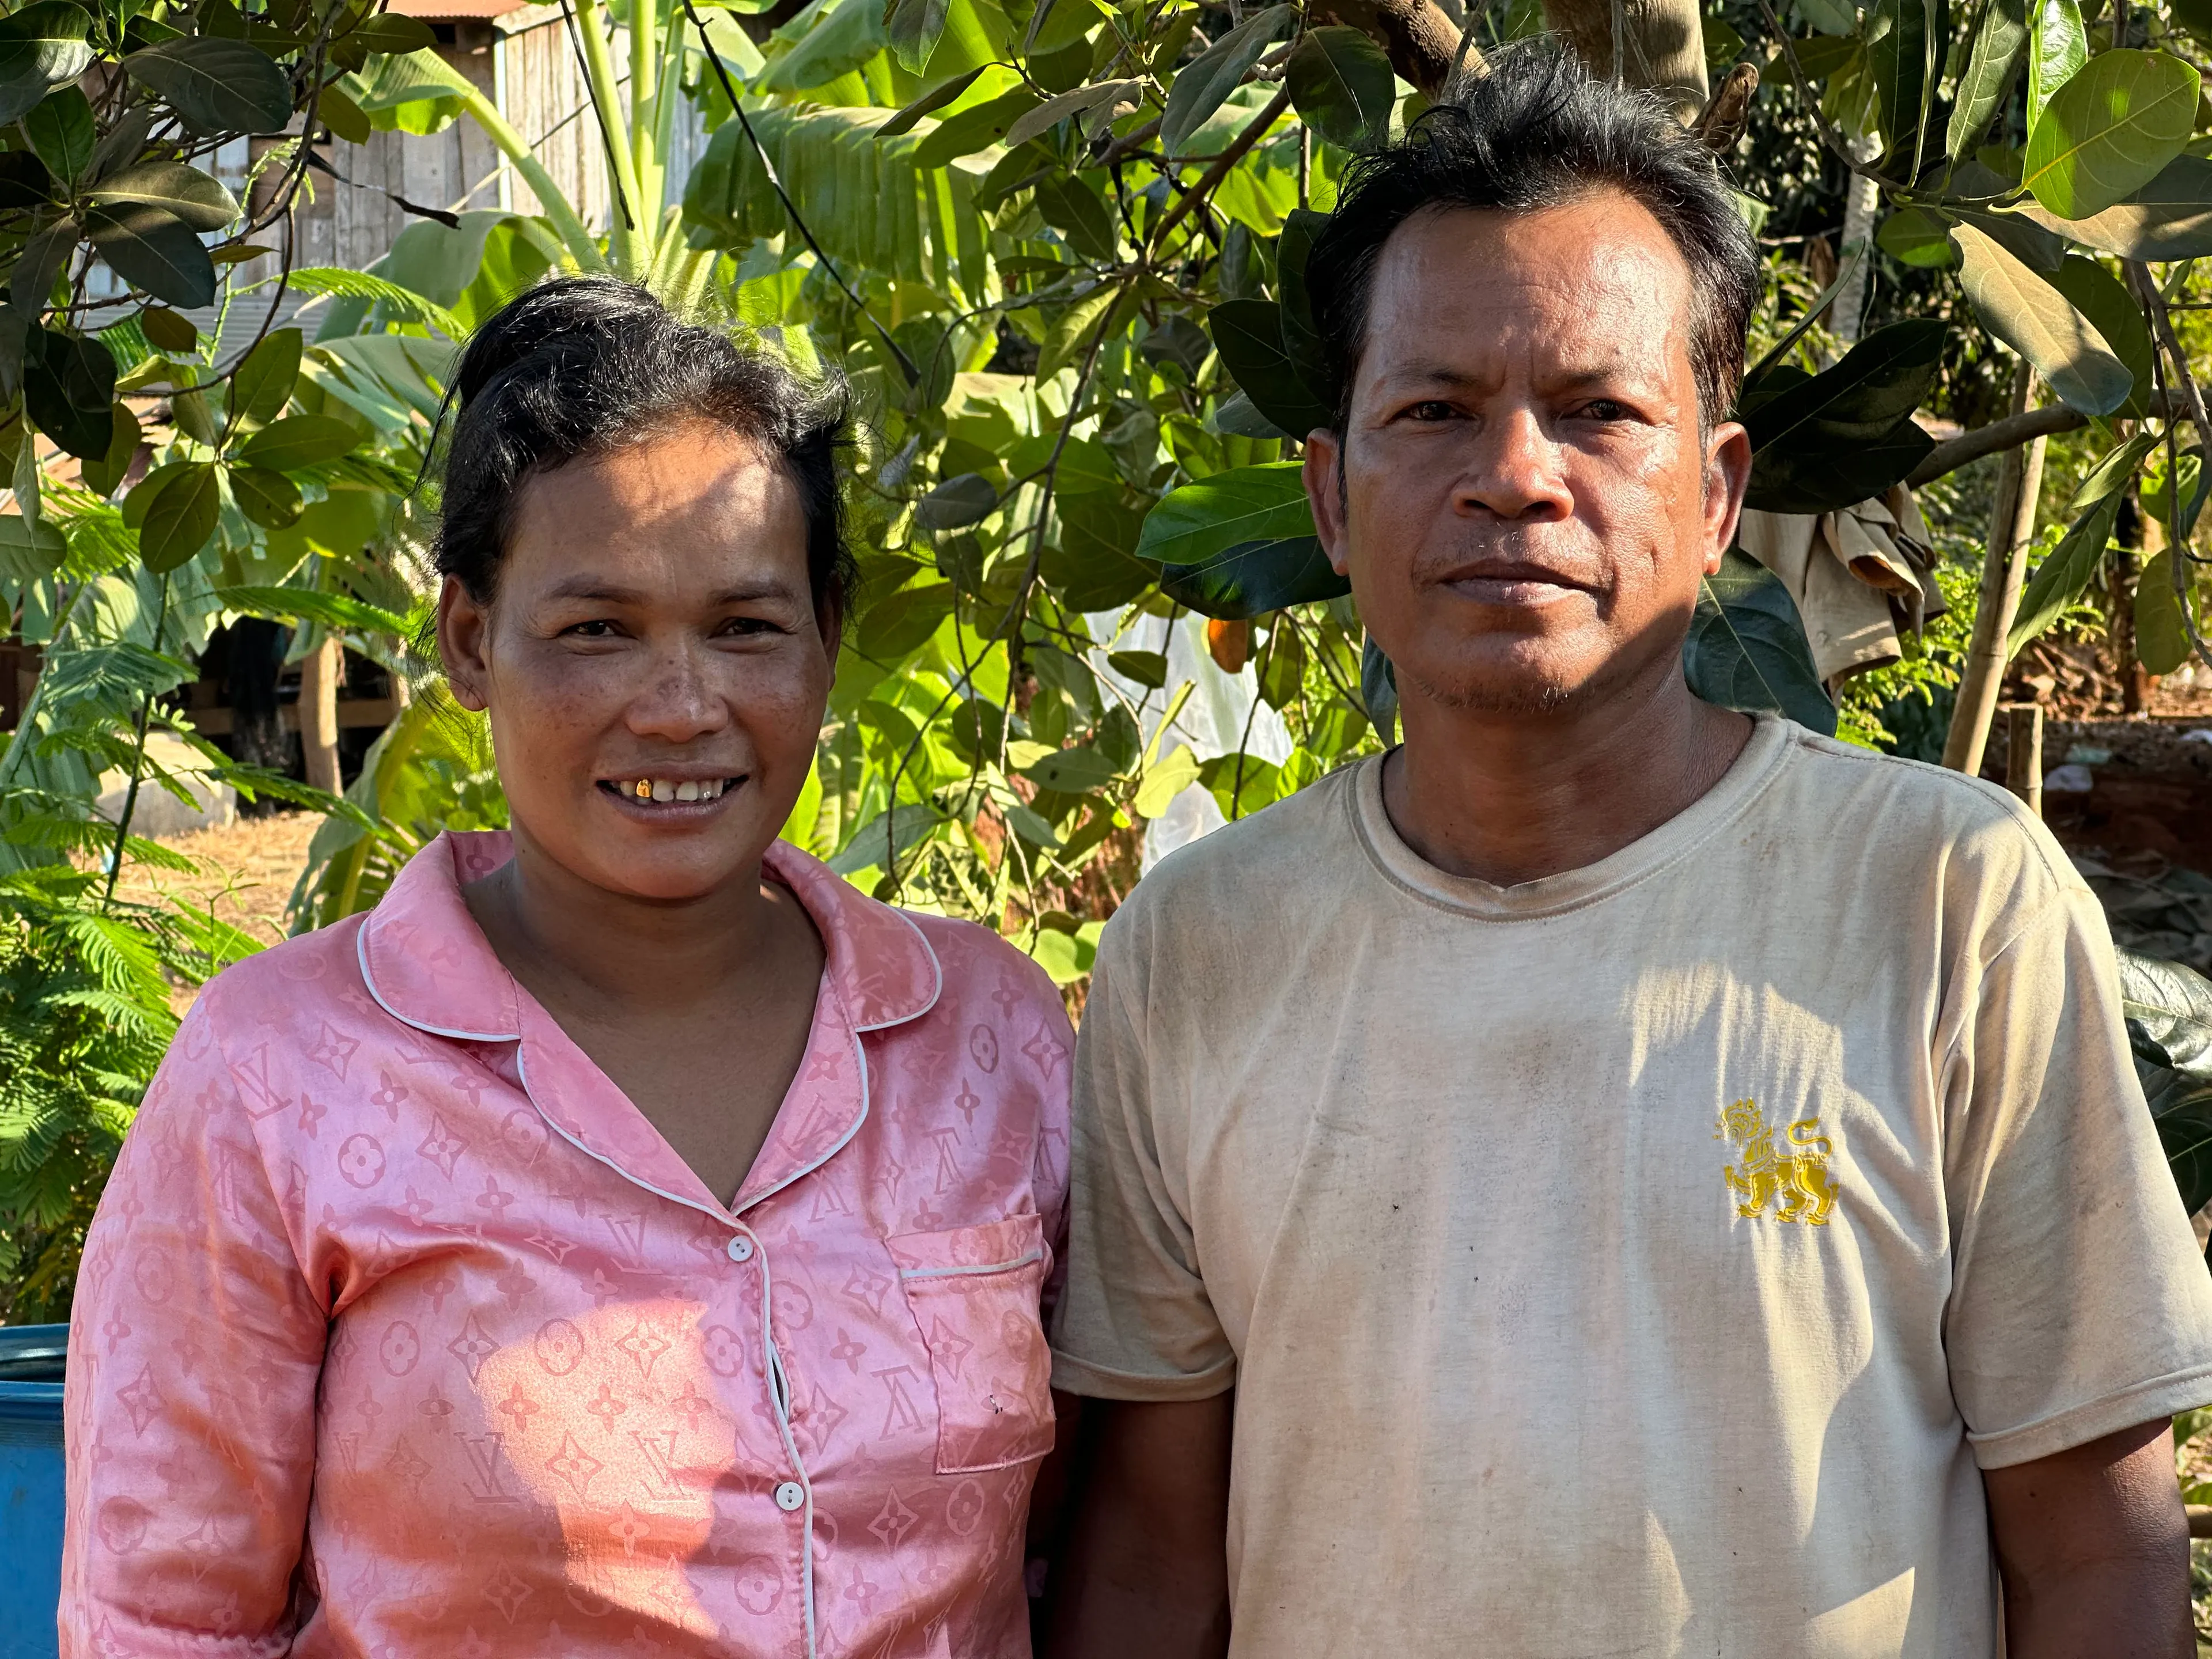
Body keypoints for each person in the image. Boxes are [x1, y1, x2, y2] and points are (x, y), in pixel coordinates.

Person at [1043, 53, 2212, 1659]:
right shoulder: (1197, 948)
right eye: (1433, 410)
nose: (1516, 474)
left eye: (1600, 412)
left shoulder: (1947, 903)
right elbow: (1154, 1554)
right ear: (1330, 497)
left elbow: (2099, 1551)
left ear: (1722, 492)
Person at [62, 278, 1071, 1658]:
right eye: (598, 628)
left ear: (829, 631)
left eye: (745, 626)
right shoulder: (279, 1074)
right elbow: (160, 1616)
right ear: (471, 641)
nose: (680, 707)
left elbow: (1085, 1546)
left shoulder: (991, 1038)